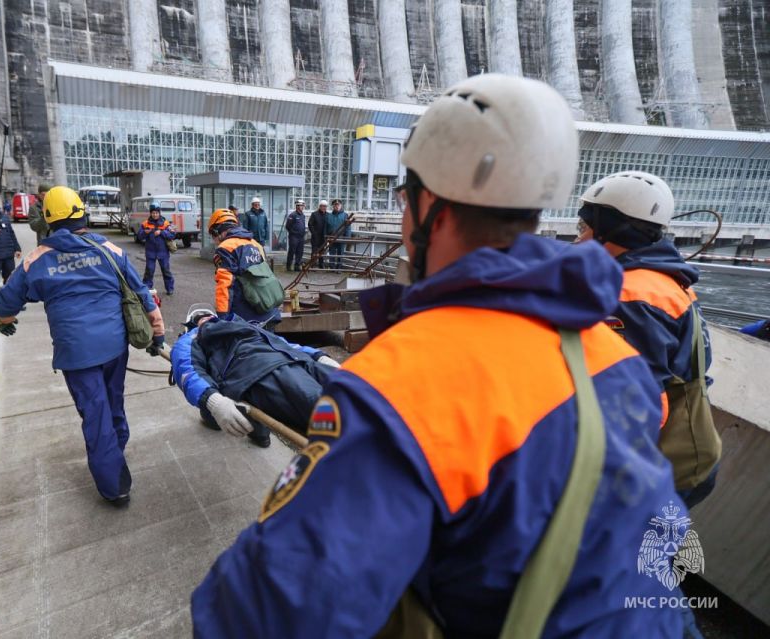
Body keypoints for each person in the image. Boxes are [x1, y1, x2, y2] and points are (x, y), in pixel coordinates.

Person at [192, 75, 686, 637]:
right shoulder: (611, 352)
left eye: (406, 199)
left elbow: (263, 611)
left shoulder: (402, 385)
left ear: (433, 209)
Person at [0, 186, 166, 505]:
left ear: (48, 220)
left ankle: (114, 486)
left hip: (76, 354)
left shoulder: (36, 259)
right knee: (113, 403)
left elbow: (3, 307)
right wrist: (157, 334)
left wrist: (5, 322)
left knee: (96, 415)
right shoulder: (108, 249)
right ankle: (115, 454)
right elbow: (143, 294)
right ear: (81, 214)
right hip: (114, 346)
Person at [576, 171, 720, 509]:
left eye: (584, 228)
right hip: (688, 454)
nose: (578, 240)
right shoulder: (664, 283)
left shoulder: (628, 296)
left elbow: (640, 400)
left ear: (610, 230)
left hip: (658, 466)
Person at [171, 306, 340, 448]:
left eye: (208, 315)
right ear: (194, 324)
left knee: (350, 388)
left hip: (296, 359)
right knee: (331, 410)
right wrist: (213, 400)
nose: (206, 318)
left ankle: (259, 434)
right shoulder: (192, 338)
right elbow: (187, 369)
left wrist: (317, 356)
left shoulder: (244, 324)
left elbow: (280, 342)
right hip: (261, 368)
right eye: (201, 318)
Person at [208, 208, 282, 329]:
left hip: (245, 318)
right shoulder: (255, 244)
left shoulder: (225, 248)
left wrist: (222, 317)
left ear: (217, 231)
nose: (214, 240)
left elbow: (225, 286)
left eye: (212, 235)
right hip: (269, 311)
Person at [136, 203, 176, 295]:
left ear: (159, 213)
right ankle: (147, 289)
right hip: (150, 252)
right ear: (150, 213)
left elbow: (172, 234)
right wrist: (145, 232)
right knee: (149, 271)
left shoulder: (166, 223)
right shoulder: (145, 223)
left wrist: (161, 232)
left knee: (166, 270)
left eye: (157, 213)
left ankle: (170, 288)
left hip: (163, 252)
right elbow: (139, 236)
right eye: (153, 213)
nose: (155, 215)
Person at [324, 198, 351, 270]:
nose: (337, 206)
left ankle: (339, 268)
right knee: (332, 253)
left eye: (338, 205)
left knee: (340, 254)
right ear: (333, 206)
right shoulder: (329, 216)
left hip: (341, 238)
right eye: (335, 205)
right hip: (331, 237)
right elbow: (326, 227)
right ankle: (332, 267)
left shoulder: (345, 215)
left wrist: (347, 237)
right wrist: (325, 237)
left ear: (341, 206)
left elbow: (348, 227)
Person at [284, 199, 307, 271]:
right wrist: (293, 233)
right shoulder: (292, 215)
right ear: (297, 206)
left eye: (303, 206)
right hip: (294, 237)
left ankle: (297, 266)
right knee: (292, 251)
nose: (302, 207)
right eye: (301, 206)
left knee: (300, 252)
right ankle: (288, 266)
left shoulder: (303, 215)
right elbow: (288, 226)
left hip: (301, 237)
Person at [307, 199, 327, 269]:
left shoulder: (328, 215)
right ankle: (312, 264)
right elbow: (310, 224)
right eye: (322, 206)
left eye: (325, 206)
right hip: (315, 236)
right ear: (320, 206)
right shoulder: (314, 214)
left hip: (323, 237)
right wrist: (314, 233)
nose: (323, 208)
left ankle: (321, 264)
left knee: (322, 251)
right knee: (314, 251)